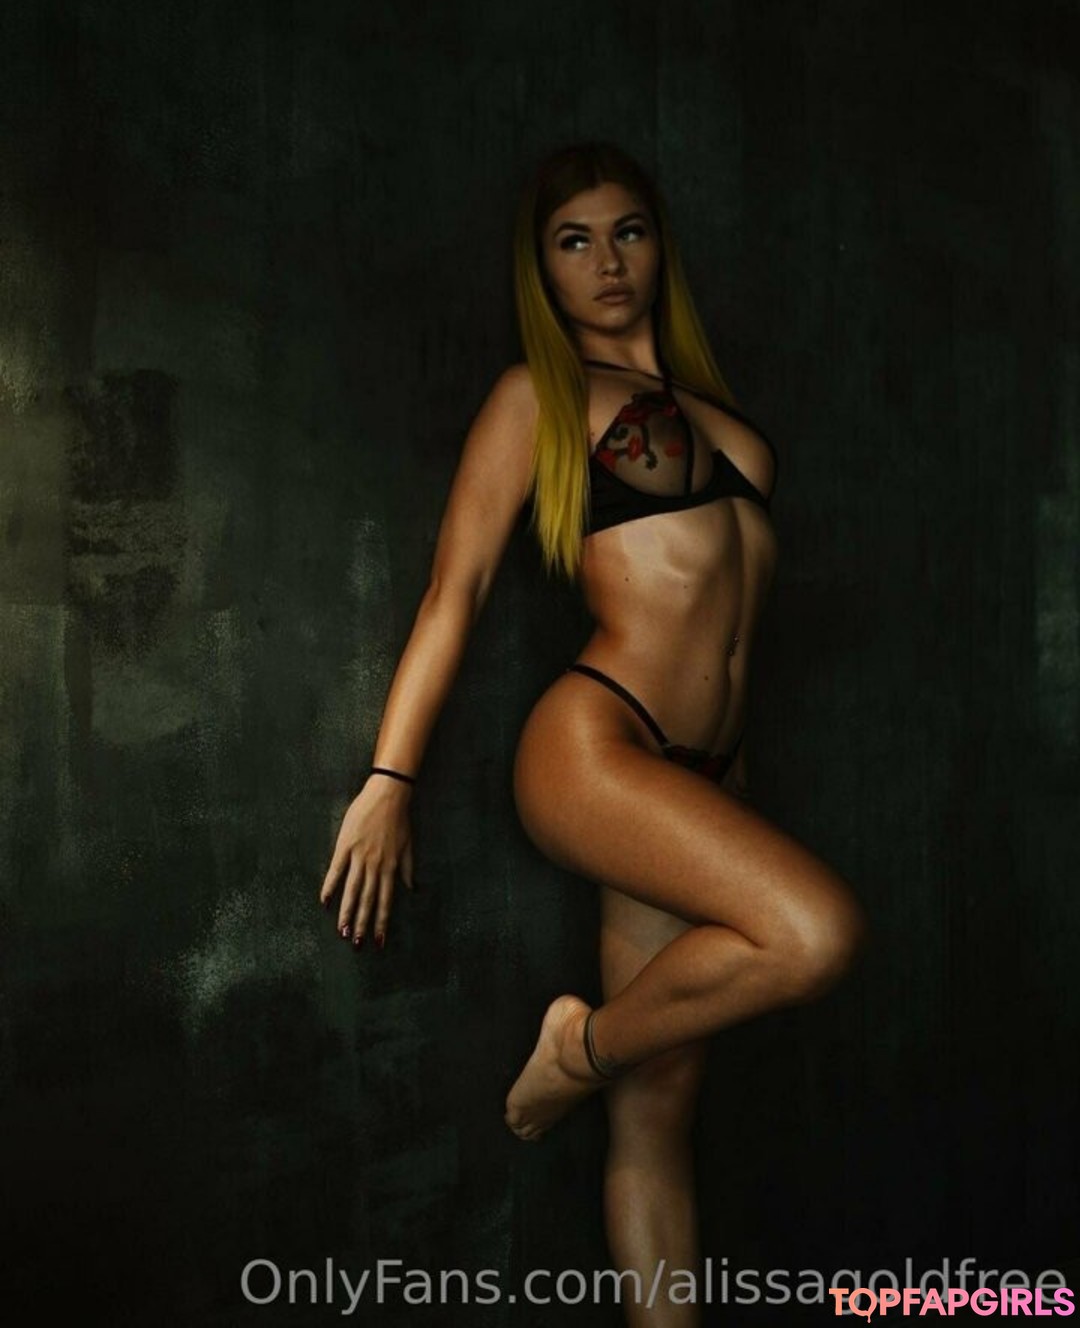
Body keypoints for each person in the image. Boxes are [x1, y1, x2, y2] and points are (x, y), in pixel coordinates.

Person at [320, 141, 867, 1327]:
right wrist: (389, 777)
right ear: (543, 267)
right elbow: (455, 592)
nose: (607, 261)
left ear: (660, 246)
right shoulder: (539, 396)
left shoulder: (722, 418)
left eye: (629, 231)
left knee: (658, 1117)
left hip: (705, 775)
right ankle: (579, 1048)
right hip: (597, 747)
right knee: (815, 934)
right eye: (575, 241)